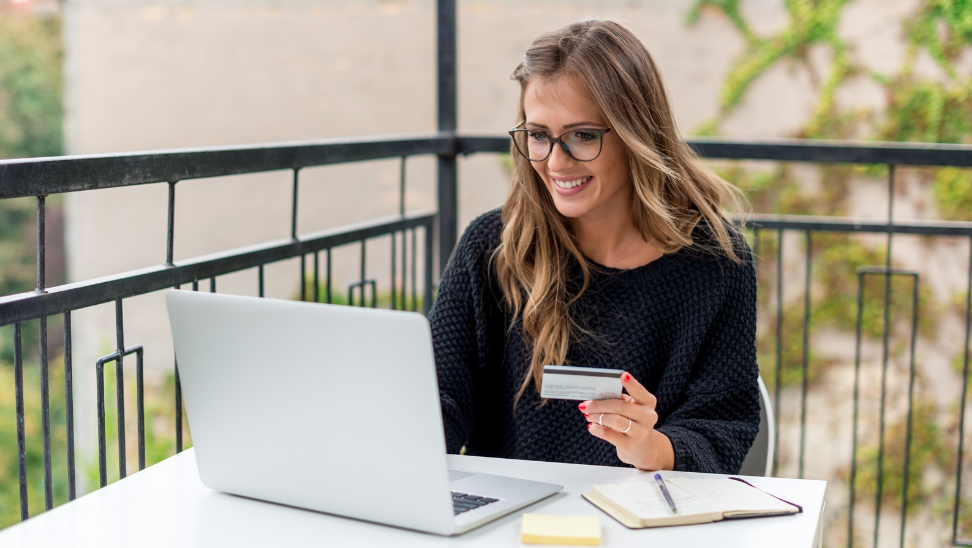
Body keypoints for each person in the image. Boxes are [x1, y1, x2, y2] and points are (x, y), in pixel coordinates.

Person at [428, 19, 760, 474]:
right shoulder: (492, 246)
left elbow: (721, 426)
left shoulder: (717, 264)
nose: (556, 161)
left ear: (635, 134)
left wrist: (649, 448)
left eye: (583, 135)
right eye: (539, 135)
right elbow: (441, 398)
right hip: (504, 525)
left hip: (640, 524)